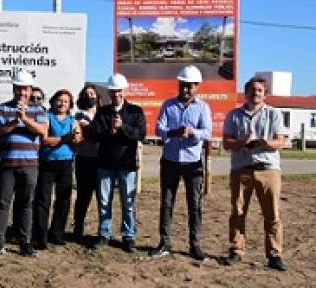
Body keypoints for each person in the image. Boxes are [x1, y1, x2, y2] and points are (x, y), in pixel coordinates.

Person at [221, 76, 288, 271]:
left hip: (268, 170)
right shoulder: (234, 115)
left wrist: (264, 143)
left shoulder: (274, 114)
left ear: (265, 94)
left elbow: (280, 142)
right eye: (252, 90)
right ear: (246, 92)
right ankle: (236, 250)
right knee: (238, 212)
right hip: (242, 169)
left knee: (272, 214)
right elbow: (226, 143)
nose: (256, 93)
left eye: (260, 90)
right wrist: (241, 142)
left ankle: (275, 254)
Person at [150, 65, 211, 261]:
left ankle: (195, 245)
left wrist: (193, 132)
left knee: (194, 205)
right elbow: (159, 129)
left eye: (189, 86)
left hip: (193, 163)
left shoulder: (203, 107)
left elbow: (208, 132)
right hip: (170, 161)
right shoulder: (168, 105)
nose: (185, 90)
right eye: (182, 85)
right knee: (167, 203)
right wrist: (174, 132)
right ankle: (165, 242)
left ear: (197, 87)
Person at [0, 71, 47, 258]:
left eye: (25, 89)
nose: (22, 92)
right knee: (3, 204)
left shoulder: (39, 110)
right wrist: (15, 121)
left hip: (29, 165)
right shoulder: (3, 108)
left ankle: (25, 243)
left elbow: (43, 131)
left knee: (26, 204)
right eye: (19, 88)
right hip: (7, 165)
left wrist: (25, 119)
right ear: (14, 89)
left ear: (30, 90)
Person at [92, 73, 146, 253]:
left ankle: (128, 236)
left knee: (128, 202)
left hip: (127, 164)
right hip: (105, 163)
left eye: (119, 92)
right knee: (104, 201)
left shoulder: (135, 111)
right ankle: (104, 234)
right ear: (109, 92)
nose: (116, 95)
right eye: (113, 92)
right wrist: (110, 130)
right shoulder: (103, 112)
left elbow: (141, 134)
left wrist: (123, 127)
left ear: (125, 91)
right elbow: (95, 134)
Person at [32, 89, 82, 250]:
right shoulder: (47, 117)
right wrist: (66, 138)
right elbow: (45, 140)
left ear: (70, 105)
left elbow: (78, 140)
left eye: (66, 102)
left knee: (64, 201)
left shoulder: (73, 121)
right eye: (59, 100)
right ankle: (40, 236)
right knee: (43, 200)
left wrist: (77, 139)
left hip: (66, 163)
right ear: (53, 101)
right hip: (47, 163)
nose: (62, 104)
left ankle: (57, 233)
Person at [72, 84, 102, 241]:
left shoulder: (103, 113)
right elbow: (89, 132)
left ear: (97, 96)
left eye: (92, 93)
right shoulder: (79, 115)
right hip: (84, 159)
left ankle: (103, 230)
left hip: (102, 159)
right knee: (83, 195)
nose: (90, 96)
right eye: (86, 94)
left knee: (102, 197)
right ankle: (78, 226)